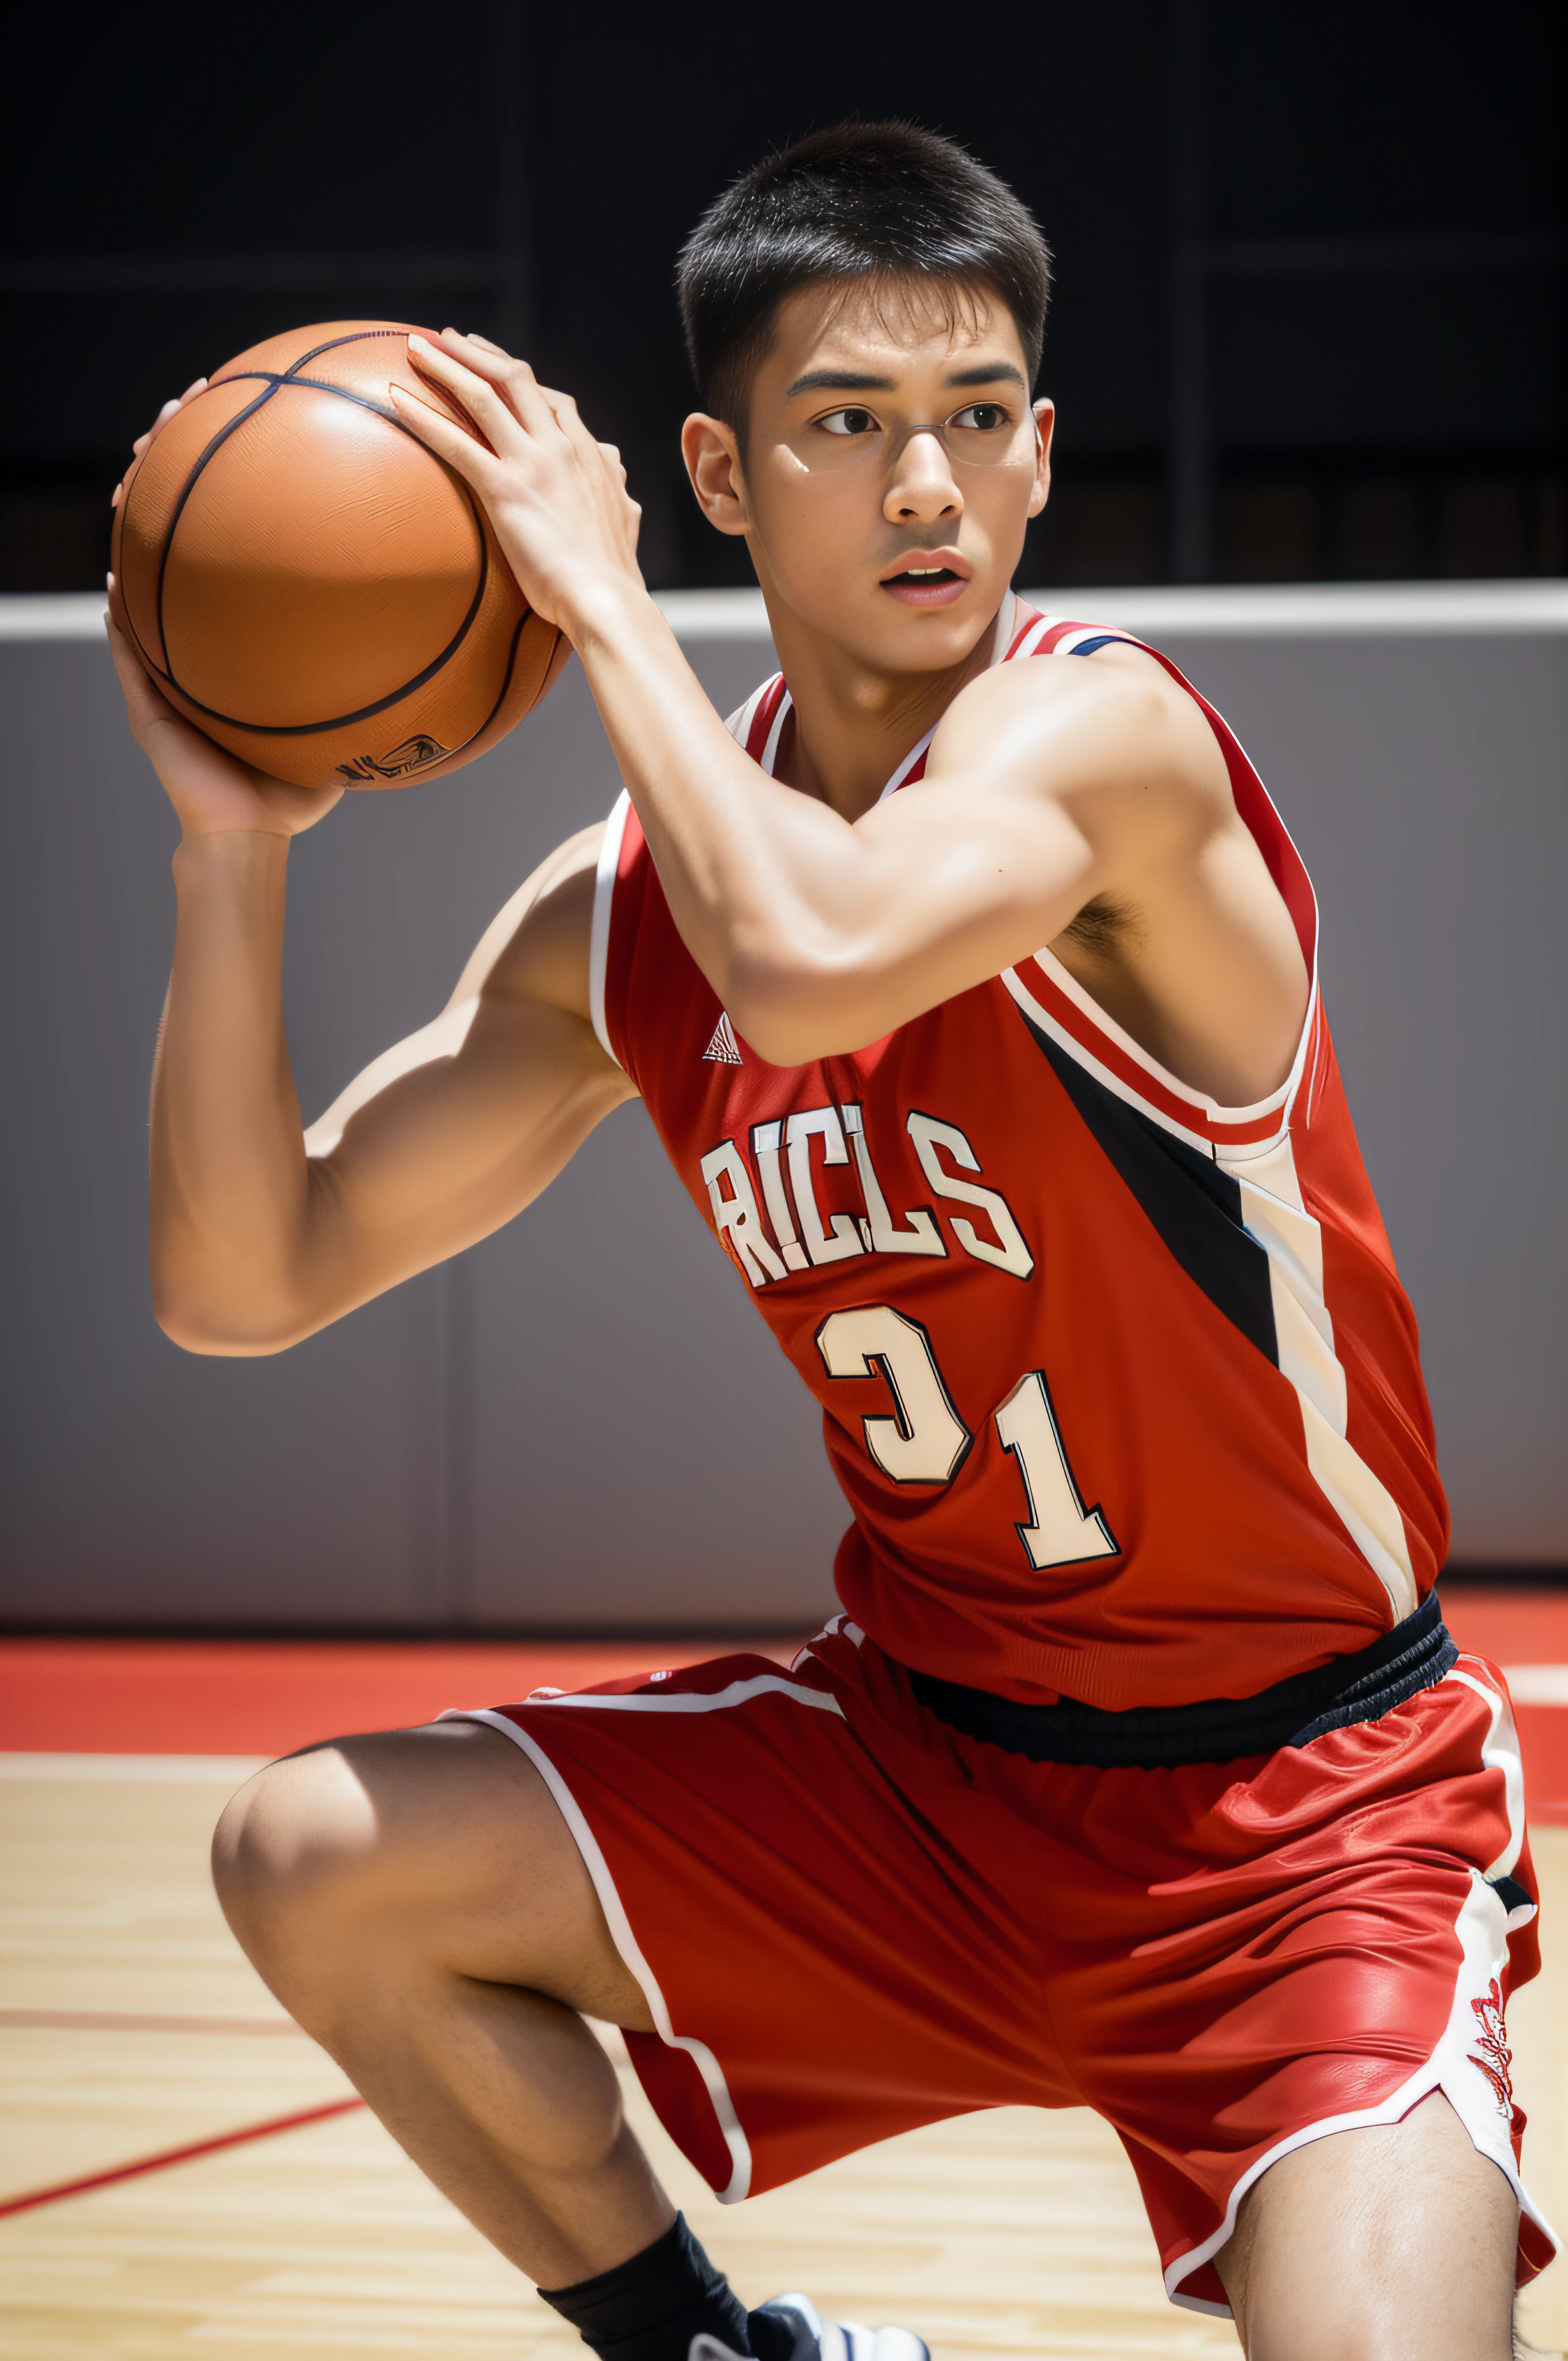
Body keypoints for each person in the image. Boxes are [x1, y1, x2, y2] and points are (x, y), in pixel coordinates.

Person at [108, 122, 1553, 2361]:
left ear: (1043, 451)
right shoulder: (621, 920)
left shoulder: (1108, 742)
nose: (922, 489)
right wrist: (233, 844)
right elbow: (242, 1277)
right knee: (311, 1854)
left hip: (1300, 1822)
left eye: (976, 420)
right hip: (921, 1780)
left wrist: (589, 600)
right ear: (716, 468)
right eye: (843, 428)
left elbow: (808, 959)